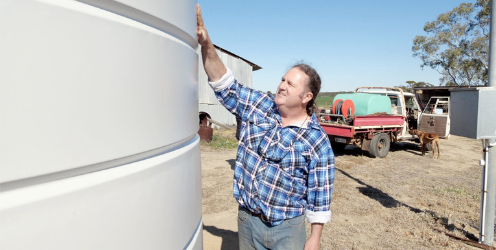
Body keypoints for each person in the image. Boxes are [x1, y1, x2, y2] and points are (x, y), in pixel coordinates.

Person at [197, 4, 335, 250]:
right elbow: (224, 83)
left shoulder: (316, 140)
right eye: (282, 79)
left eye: (290, 84)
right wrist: (207, 44)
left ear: (306, 97)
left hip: (288, 229)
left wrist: (314, 238)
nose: (281, 85)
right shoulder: (260, 105)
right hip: (247, 221)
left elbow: (320, 194)